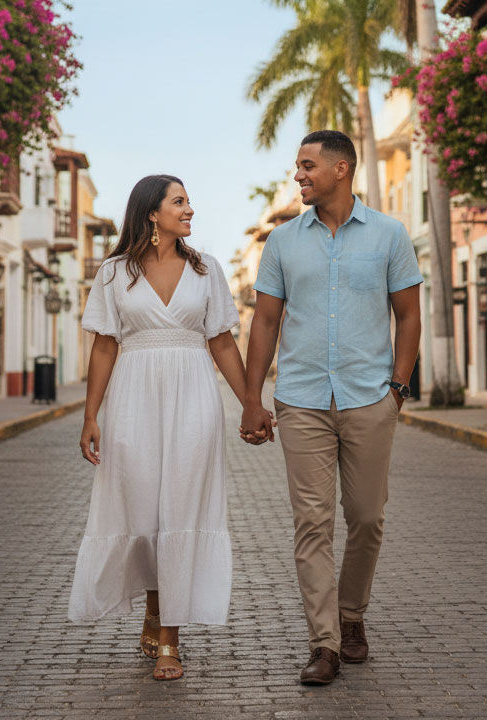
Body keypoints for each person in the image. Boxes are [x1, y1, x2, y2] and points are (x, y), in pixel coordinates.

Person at [241, 130, 423, 685]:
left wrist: (397, 389)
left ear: (341, 169)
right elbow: (265, 322)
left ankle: (352, 616)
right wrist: (253, 399)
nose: (299, 175)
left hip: (371, 397)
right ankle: (325, 645)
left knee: (367, 518)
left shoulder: (390, 236)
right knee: (312, 524)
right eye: (298, 166)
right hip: (301, 401)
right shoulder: (282, 243)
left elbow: (409, 316)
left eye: (307, 165)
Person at [68, 174, 266, 681]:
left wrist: (250, 402)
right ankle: (154, 610)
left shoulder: (207, 270)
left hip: (193, 398)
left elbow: (221, 342)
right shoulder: (114, 273)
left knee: (180, 507)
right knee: (144, 511)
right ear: (152, 213)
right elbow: (105, 346)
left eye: (189, 201)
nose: (190, 209)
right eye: (179, 201)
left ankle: (169, 642)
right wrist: (91, 415)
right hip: (133, 399)